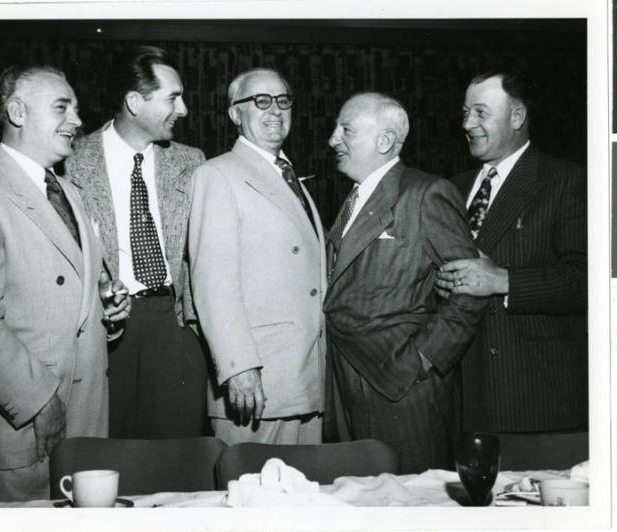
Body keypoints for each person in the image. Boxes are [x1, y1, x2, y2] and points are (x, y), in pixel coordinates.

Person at [0, 64, 130, 504]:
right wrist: (39, 400)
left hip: (84, 420)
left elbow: (68, 294)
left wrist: (106, 307)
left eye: (77, 109)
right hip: (22, 423)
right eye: (62, 107)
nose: (77, 121)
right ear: (18, 112)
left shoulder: (71, 193)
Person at [322, 93, 487, 474]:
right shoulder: (353, 198)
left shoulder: (426, 194)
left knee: (414, 504)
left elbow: (469, 288)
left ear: (384, 141)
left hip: (402, 387)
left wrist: (424, 359)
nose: (333, 139)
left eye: (345, 130)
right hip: (345, 382)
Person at [65, 46, 208, 439]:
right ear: (134, 101)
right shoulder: (72, 161)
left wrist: (193, 337)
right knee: (108, 456)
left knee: (174, 462)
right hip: (107, 330)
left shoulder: (191, 162)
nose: (184, 110)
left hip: (173, 323)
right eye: (173, 98)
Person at [435, 69, 588, 438]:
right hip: (461, 399)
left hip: (531, 397)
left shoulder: (567, 181)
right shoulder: (454, 188)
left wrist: (501, 280)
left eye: (480, 112)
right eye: (465, 112)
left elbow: (586, 279)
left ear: (517, 117)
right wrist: (441, 283)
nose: (467, 123)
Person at [188, 68, 326, 445]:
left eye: (283, 101)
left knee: (301, 498)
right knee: (252, 496)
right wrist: (238, 368)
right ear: (235, 114)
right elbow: (212, 284)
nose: (275, 111)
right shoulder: (218, 175)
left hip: (305, 377)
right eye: (260, 102)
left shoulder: (289, 176)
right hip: (257, 383)